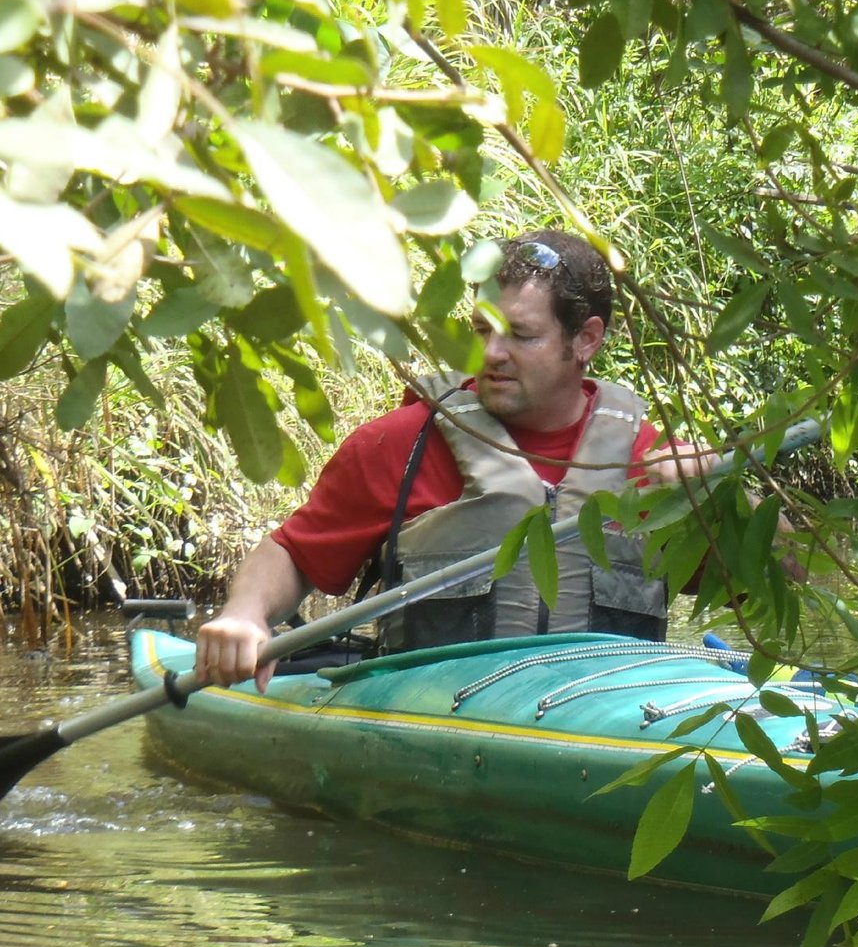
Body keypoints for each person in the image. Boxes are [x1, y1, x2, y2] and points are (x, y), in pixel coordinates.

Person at [195, 229, 713, 692]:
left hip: (602, 720)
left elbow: (778, 568)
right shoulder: (398, 445)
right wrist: (245, 614)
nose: (491, 354)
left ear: (586, 339)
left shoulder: (655, 463)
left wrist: (724, 501)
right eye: (482, 330)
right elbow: (293, 554)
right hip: (434, 717)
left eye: (521, 334)